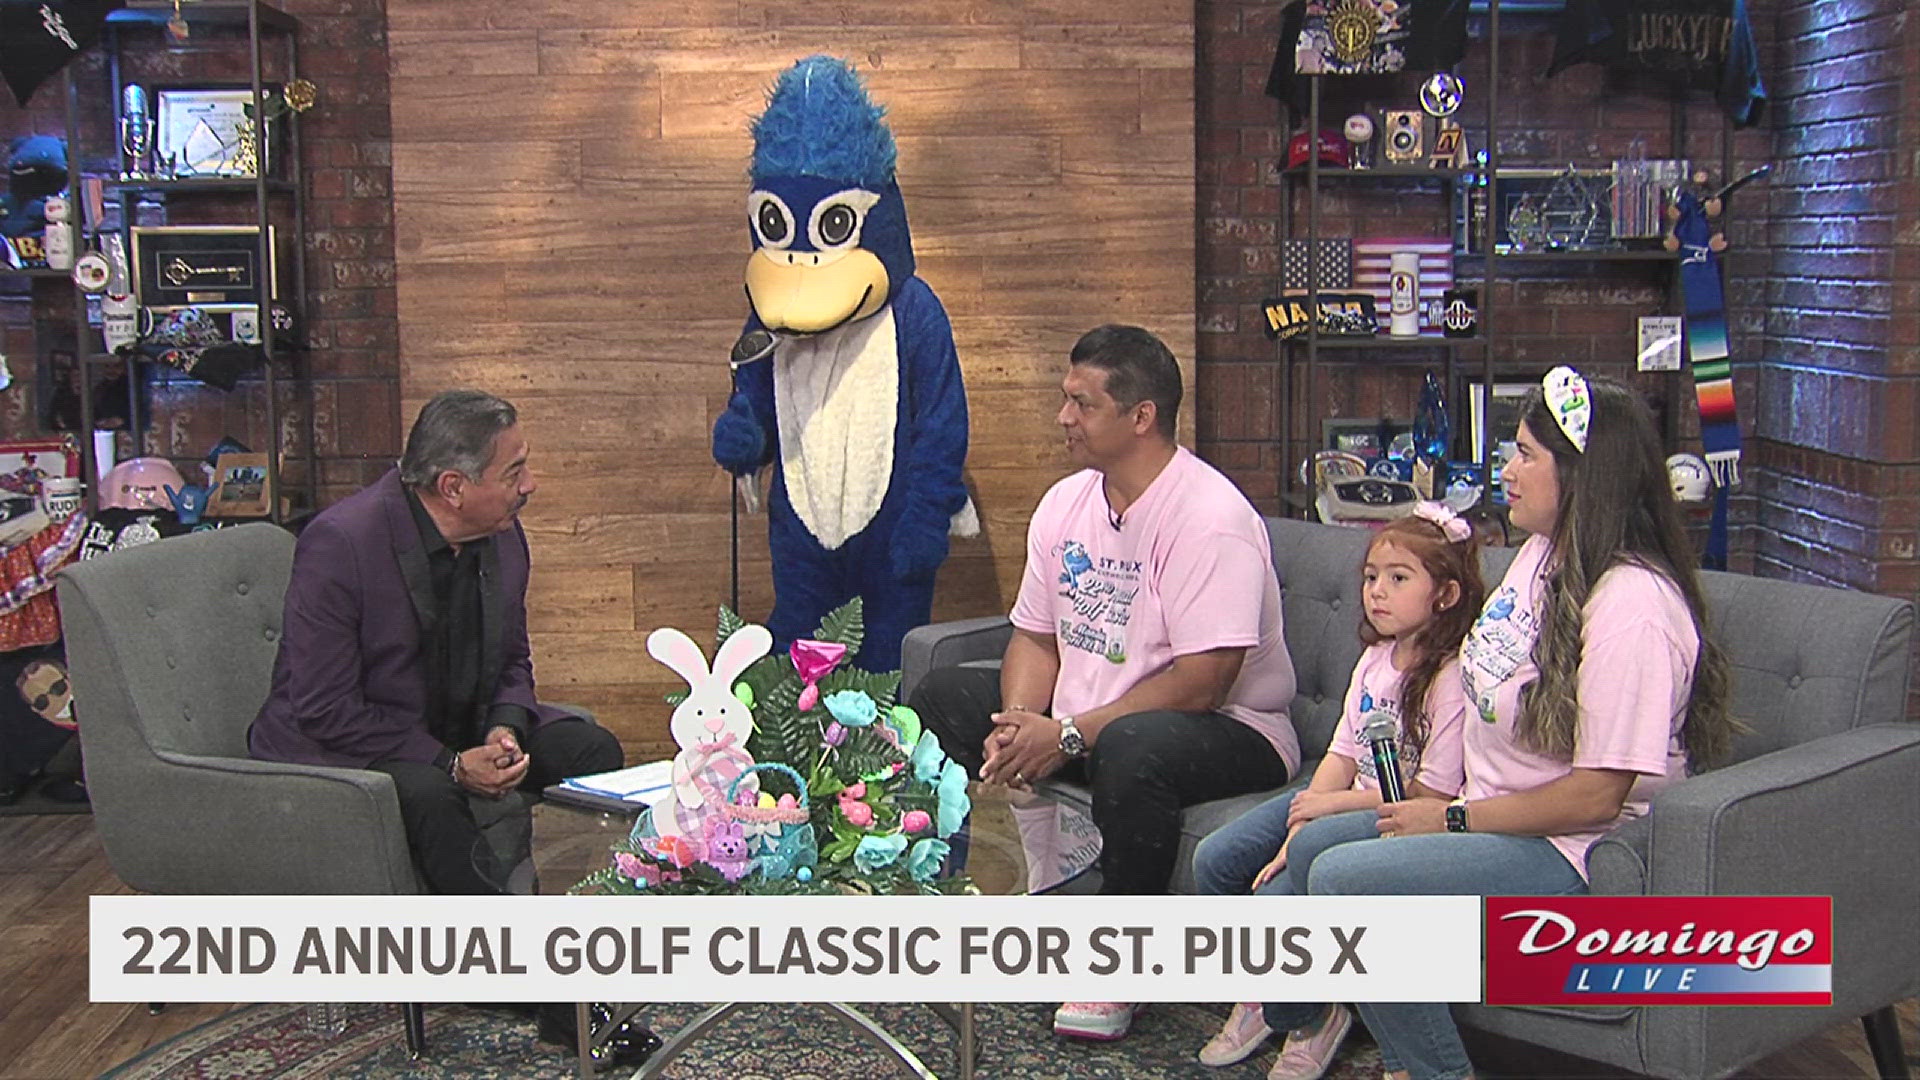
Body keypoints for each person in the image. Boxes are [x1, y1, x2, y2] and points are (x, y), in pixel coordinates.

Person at [1278, 367, 1735, 1080]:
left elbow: (1595, 798)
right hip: (1490, 811)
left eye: (1525, 454)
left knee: (1345, 880)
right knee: (1311, 848)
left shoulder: (1632, 608)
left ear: (1582, 474)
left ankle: (1432, 1070)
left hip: (1573, 846)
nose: (1507, 470)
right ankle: (1346, 1031)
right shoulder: (1541, 553)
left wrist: (1450, 819)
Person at [908, 324, 1298, 1041]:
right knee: (941, 698)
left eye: (1082, 404)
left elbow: (1204, 682)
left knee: (1131, 747)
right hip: (1093, 718)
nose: (1064, 418)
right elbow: (1036, 635)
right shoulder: (1067, 503)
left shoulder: (1210, 519)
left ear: (1141, 416)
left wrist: (1066, 733)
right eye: (1067, 400)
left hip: (1233, 728)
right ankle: (1020, 898)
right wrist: (1019, 722)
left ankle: (1120, 962)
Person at [248, 389, 656, 1065]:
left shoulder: (501, 535)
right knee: (431, 796)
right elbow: (323, 705)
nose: (531, 484)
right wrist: (448, 762)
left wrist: (504, 730)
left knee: (588, 747)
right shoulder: (342, 543)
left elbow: (513, 659)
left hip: (455, 722)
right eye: (514, 470)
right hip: (346, 742)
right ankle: (552, 997)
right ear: (453, 487)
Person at [1190, 506, 1483, 1078]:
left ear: (1445, 595)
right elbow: (1342, 753)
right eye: (1371, 577)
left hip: (1390, 814)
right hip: (1340, 795)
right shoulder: (1375, 659)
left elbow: (1429, 796)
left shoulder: (1450, 679)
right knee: (1216, 860)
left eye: (1399, 578)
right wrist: (1301, 821)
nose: (1377, 592)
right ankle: (1262, 992)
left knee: (1275, 904)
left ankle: (1307, 1016)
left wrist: (1327, 810)